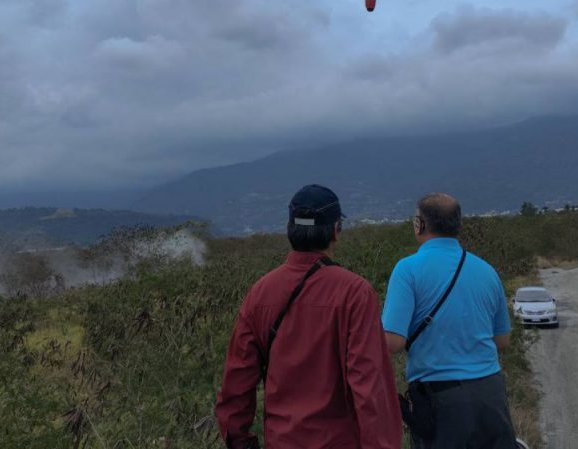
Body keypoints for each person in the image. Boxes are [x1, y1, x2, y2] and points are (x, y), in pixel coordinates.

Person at [215, 184, 402, 449]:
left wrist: (240, 440)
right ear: (336, 230)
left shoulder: (260, 293)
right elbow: (370, 386)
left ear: (290, 229)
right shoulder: (355, 293)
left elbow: (237, 381)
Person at [381, 193, 516, 449]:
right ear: (459, 225)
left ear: (419, 224)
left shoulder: (407, 269)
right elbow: (502, 339)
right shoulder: (487, 271)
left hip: (439, 399)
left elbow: (392, 341)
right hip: (491, 393)